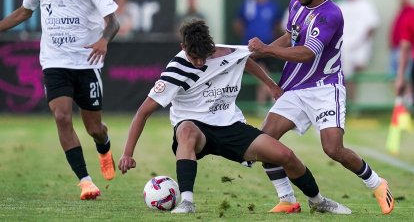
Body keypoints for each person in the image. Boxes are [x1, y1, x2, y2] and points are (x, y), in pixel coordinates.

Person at [118, 19, 351, 214]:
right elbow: (143, 112)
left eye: (203, 56)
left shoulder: (226, 53)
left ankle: (318, 201)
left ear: (210, 46)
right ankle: (187, 201)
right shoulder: (176, 69)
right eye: (193, 57)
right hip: (196, 128)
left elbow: (246, 60)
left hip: (229, 126)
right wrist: (128, 153)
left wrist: (271, 85)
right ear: (182, 47)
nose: (199, 62)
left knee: (285, 155)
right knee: (186, 131)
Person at [248, 0, 394, 215]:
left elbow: (307, 53)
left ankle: (377, 184)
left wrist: (268, 50)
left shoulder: (331, 14)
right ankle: (287, 200)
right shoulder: (296, 3)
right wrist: (264, 50)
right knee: (265, 141)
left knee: (333, 149)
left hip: (326, 88)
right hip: (295, 88)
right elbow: (291, 36)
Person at [0, 0, 120, 200]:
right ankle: (86, 182)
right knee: (62, 117)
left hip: (87, 63)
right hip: (54, 63)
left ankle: (104, 147)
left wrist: (104, 40)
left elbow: (114, 21)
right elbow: (24, 11)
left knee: (94, 128)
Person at [233, 0, 284, 112]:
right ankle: (268, 104)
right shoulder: (248, 4)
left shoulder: (273, 5)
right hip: (251, 49)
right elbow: (238, 23)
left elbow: (278, 25)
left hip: (268, 46)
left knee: (265, 75)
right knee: (262, 74)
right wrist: (247, 38)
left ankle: (263, 104)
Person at [336, 0, 380, 102]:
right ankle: (348, 104)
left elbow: (373, 25)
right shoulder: (340, 5)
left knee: (355, 72)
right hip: (344, 47)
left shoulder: (366, 4)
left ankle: (352, 103)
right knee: (345, 76)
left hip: (361, 46)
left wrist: (363, 42)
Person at [391, 0, 414, 103]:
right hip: (397, 49)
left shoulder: (410, 11)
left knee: (406, 78)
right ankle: (402, 101)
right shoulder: (400, 11)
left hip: (406, 51)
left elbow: (406, 43)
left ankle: (406, 100)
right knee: (398, 76)